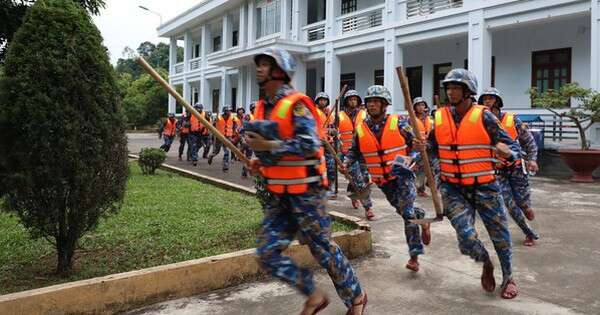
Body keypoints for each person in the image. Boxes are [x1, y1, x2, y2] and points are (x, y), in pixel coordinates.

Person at [246, 48, 367, 315]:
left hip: (307, 193)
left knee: (322, 250)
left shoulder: (296, 103)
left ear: (280, 71)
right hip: (279, 195)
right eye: (260, 65)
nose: (259, 69)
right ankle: (313, 295)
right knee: (267, 253)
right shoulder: (262, 107)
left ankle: (356, 297)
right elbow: (270, 149)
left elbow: (309, 143)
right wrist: (261, 160)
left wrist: (271, 145)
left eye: (266, 65)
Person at [416, 69, 520, 299]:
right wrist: (419, 152)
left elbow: (512, 146)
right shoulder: (440, 117)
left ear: (468, 91)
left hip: (485, 187)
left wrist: (507, 152)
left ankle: (509, 277)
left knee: (500, 235)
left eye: (456, 88)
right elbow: (431, 147)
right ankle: (486, 263)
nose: (451, 92)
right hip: (453, 189)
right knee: (465, 238)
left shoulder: (485, 116)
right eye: (448, 88)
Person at [343, 85, 431, 272]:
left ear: (385, 104)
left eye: (376, 101)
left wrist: (413, 155)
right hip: (383, 180)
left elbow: (418, 146)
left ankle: (414, 256)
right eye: (369, 102)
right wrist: (346, 162)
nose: (372, 105)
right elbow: (354, 151)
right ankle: (422, 217)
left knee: (407, 214)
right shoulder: (361, 128)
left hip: (403, 176)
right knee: (403, 211)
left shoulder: (401, 123)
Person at [479, 87, 539, 246]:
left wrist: (532, 159)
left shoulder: (513, 120)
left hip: (518, 167)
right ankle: (529, 233)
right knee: (510, 205)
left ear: (497, 101)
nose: (487, 101)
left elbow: (529, 142)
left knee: (522, 202)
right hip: (499, 170)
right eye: (484, 98)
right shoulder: (481, 123)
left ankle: (526, 206)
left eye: (490, 98)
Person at [338, 89, 375, 220]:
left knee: (364, 178)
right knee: (358, 180)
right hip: (347, 153)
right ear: (346, 102)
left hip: (363, 152)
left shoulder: (364, 115)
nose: (353, 101)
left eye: (355, 99)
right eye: (350, 99)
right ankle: (368, 208)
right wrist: (331, 133)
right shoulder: (339, 115)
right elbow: (332, 129)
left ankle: (354, 195)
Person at [314, 92, 338, 200]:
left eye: (324, 100)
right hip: (318, 143)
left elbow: (333, 128)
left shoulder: (330, 114)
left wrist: (333, 131)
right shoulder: (313, 112)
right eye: (320, 100)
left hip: (329, 143)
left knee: (331, 166)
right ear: (317, 101)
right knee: (317, 167)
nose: (322, 101)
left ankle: (330, 187)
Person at [412, 97, 435, 197]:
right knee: (419, 168)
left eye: (422, 105)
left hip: (428, 146)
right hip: (416, 147)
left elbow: (433, 132)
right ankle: (420, 189)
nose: (421, 107)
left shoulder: (429, 119)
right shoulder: (411, 119)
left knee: (433, 166)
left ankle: (429, 182)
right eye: (418, 105)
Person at [208, 105, 238, 172]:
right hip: (219, 136)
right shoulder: (219, 117)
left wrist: (235, 130)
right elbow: (213, 125)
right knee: (216, 151)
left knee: (226, 151)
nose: (230, 112)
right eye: (228, 111)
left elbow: (235, 123)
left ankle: (225, 166)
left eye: (230, 110)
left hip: (228, 137)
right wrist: (214, 124)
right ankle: (211, 156)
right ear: (225, 111)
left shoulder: (232, 117)